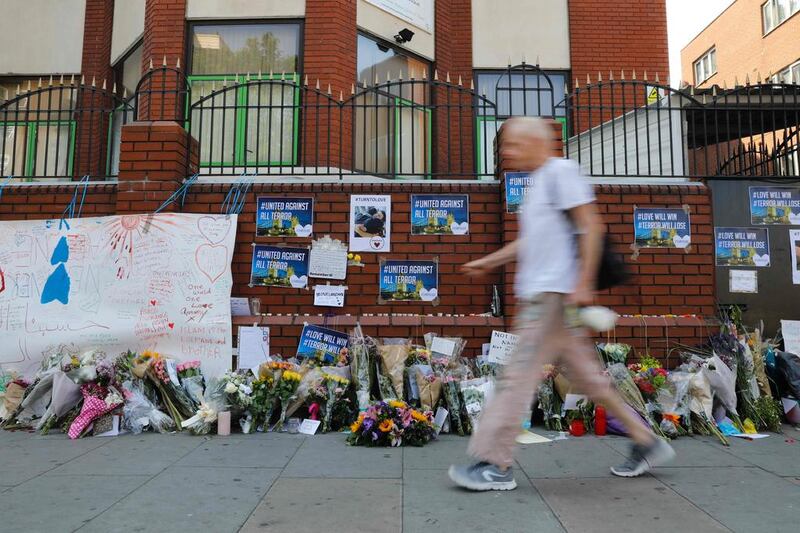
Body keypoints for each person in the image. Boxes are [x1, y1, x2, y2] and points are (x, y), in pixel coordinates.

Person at [448, 117, 675, 491]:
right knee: (588, 378)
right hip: (547, 298)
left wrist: (584, 282)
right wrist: (491, 261)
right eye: (506, 145)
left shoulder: (562, 172)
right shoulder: (538, 184)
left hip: (552, 298)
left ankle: (494, 463)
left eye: (515, 144)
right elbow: (532, 243)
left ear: (540, 142)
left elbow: (591, 225)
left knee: (517, 378)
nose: (507, 152)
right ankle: (646, 440)